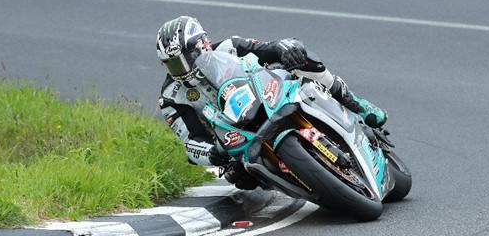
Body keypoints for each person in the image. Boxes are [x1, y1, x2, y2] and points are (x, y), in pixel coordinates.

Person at [156, 16, 387, 187]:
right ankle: (307, 183)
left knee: (305, 60)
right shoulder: (171, 96)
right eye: (173, 65)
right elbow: (190, 141)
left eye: (185, 60)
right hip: (234, 139)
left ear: (202, 45)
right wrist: (211, 154)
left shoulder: (229, 47)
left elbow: (268, 48)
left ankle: (356, 104)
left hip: (267, 95)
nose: (181, 70)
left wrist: (286, 49)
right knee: (240, 180)